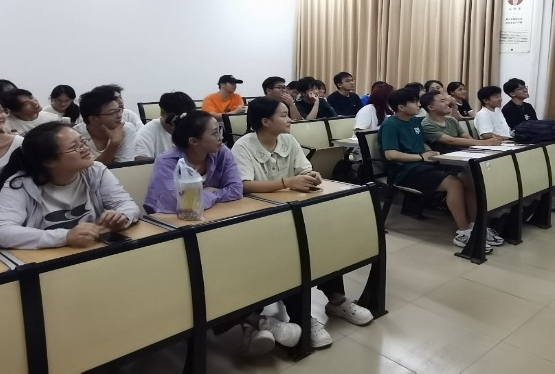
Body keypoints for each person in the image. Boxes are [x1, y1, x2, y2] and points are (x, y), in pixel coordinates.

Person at [146, 109, 301, 356]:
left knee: (244, 259)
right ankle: (257, 321)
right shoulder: (168, 162)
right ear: (194, 141)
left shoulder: (222, 153)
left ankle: (251, 324)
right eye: (214, 133)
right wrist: (212, 194)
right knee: (213, 270)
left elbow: (235, 189)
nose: (221, 137)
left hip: (213, 226)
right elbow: (177, 205)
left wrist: (204, 195)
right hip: (173, 236)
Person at [232, 98, 374, 349]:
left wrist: (311, 176)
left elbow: (303, 169)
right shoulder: (243, 146)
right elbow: (244, 186)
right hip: (261, 220)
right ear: (265, 122)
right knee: (291, 257)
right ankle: (302, 317)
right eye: (283, 115)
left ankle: (337, 300)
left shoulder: (288, 140)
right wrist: (287, 183)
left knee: (323, 245)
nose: (290, 119)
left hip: (294, 212)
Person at [378, 89, 499, 252]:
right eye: (414, 102)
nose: (418, 105)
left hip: (422, 165)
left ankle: (475, 225)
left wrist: (431, 153)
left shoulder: (414, 121)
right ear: (401, 107)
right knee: (454, 184)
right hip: (404, 171)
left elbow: (421, 143)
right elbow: (391, 154)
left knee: (467, 180)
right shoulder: (390, 125)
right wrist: (421, 157)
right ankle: (463, 232)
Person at [0, 122, 139, 249]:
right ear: (49, 161)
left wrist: (122, 216)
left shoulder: (95, 171)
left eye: (82, 141)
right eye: (74, 147)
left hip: (89, 250)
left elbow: (126, 204)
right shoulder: (21, 184)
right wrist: (65, 236)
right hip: (47, 258)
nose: (85, 148)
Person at [420, 91, 499, 152]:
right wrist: (486, 142)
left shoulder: (451, 120)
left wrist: (477, 147)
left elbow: (467, 137)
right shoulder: (426, 124)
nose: (447, 103)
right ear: (431, 107)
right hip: (444, 157)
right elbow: (451, 141)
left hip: (460, 151)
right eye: (442, 101)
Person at [75, 90, 138, 165]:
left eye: (119, 110)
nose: (119, 116)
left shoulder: (126, 129)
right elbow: (89, 170)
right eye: (112, 112)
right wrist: (114, 144)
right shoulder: (75, 135)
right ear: (93, 119)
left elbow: (124, 167)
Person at [135, 92, 196, 159]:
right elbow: (141, 161)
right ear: (163, 113)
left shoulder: (194, 128)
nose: (182, 126)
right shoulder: (145, 134)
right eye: (178, 120)